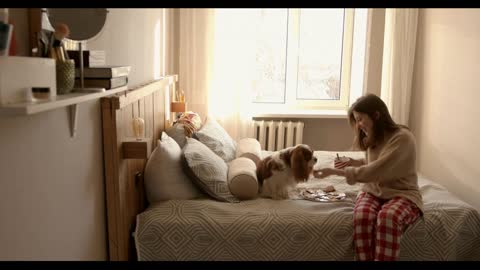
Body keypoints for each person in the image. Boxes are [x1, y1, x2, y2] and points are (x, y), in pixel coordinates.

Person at [314, 93, 423, 261]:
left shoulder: (403, 139)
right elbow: (376, 161)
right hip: (373, 191)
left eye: (360, 119)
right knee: (362, 217)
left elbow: (376, 170)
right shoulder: (374, 136)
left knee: (388, 217)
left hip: (401, 193)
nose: (358, 125)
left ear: (376, 115)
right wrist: (354, 161)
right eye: (356, 120)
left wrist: (333, 171)